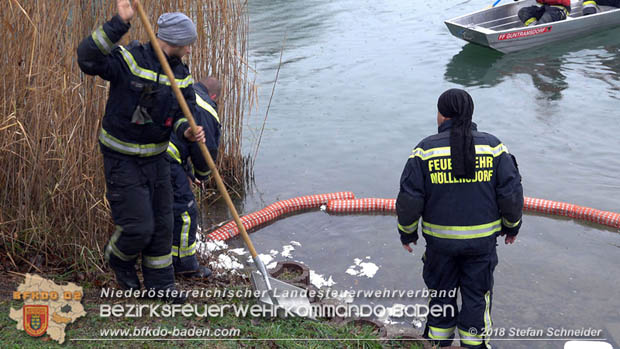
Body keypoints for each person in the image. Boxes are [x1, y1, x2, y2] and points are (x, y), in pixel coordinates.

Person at [77, 0, 205, 301]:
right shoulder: (129, 60)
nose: (189, 50)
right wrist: (118, 23)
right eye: (186, 44)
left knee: (162, 226)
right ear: (173, 40)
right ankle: (118, 259)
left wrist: (186, 129)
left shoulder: (181, 74)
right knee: (138, 226)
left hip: (156, 158)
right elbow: (87, 59)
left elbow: (181, 113)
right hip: (122, 158)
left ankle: (161, 288)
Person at [396, 89, 523, 348]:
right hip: (481, 246)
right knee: (477, 298)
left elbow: (410, 199)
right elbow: (510, 193)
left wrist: (407, 233)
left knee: (441, 298)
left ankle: (435, 344)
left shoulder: (424, 151)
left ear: (442, 115)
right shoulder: (494, 147)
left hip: (440, 246)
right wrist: (512, 226)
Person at [168, 76, 222, 278]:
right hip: (167, 158)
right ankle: (185, 265)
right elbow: (205, 149)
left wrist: (188, 173)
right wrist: (202, 174)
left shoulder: (184, 92)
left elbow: (183, 139)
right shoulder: (207, 110)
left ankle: (161, 258)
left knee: (162, 207)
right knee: (185, 210)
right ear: (214, 95)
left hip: (149, 155)